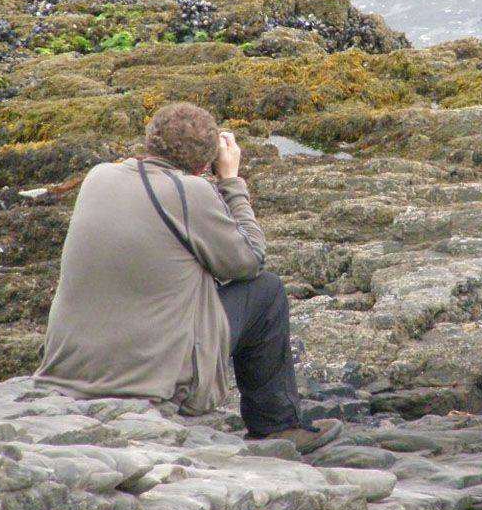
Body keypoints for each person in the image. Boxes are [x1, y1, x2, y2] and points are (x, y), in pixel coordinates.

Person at [34, 102, 341, 453]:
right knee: (266, 290)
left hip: (67, 371)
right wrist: (230, 181)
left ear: (150, 140)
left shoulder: (98, 176)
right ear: (203, 164)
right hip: (150, 383)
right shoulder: (192, 192)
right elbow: (250, 260)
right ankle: (277, 427)